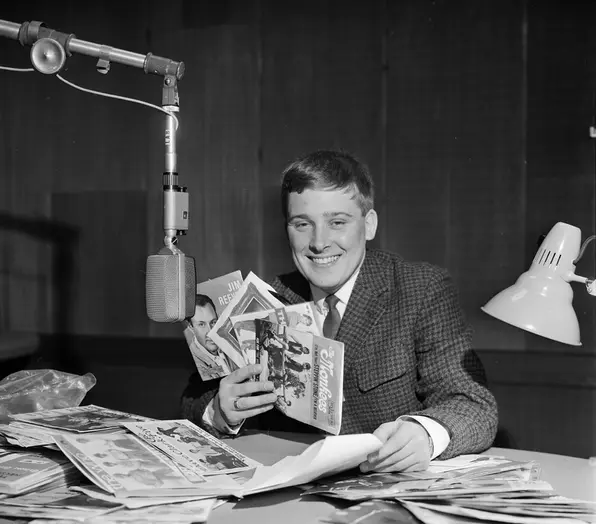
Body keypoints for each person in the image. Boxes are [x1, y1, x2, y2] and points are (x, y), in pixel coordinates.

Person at [181, 149, 498, 473]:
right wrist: (219, 410)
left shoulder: (421, 289)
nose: (319, 242)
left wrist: (426, 434)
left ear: (369, 225)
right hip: (291, 493)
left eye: (337, 222)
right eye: (302, 224)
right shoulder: (266, 300)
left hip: (386, 490)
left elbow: (473, 405)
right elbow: (194, 399)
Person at [185, 294, 236, 380]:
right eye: (201, 324)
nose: (210, 332)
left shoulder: (230, 342)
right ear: (191, 327)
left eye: (213, 322)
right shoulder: (193, 364)